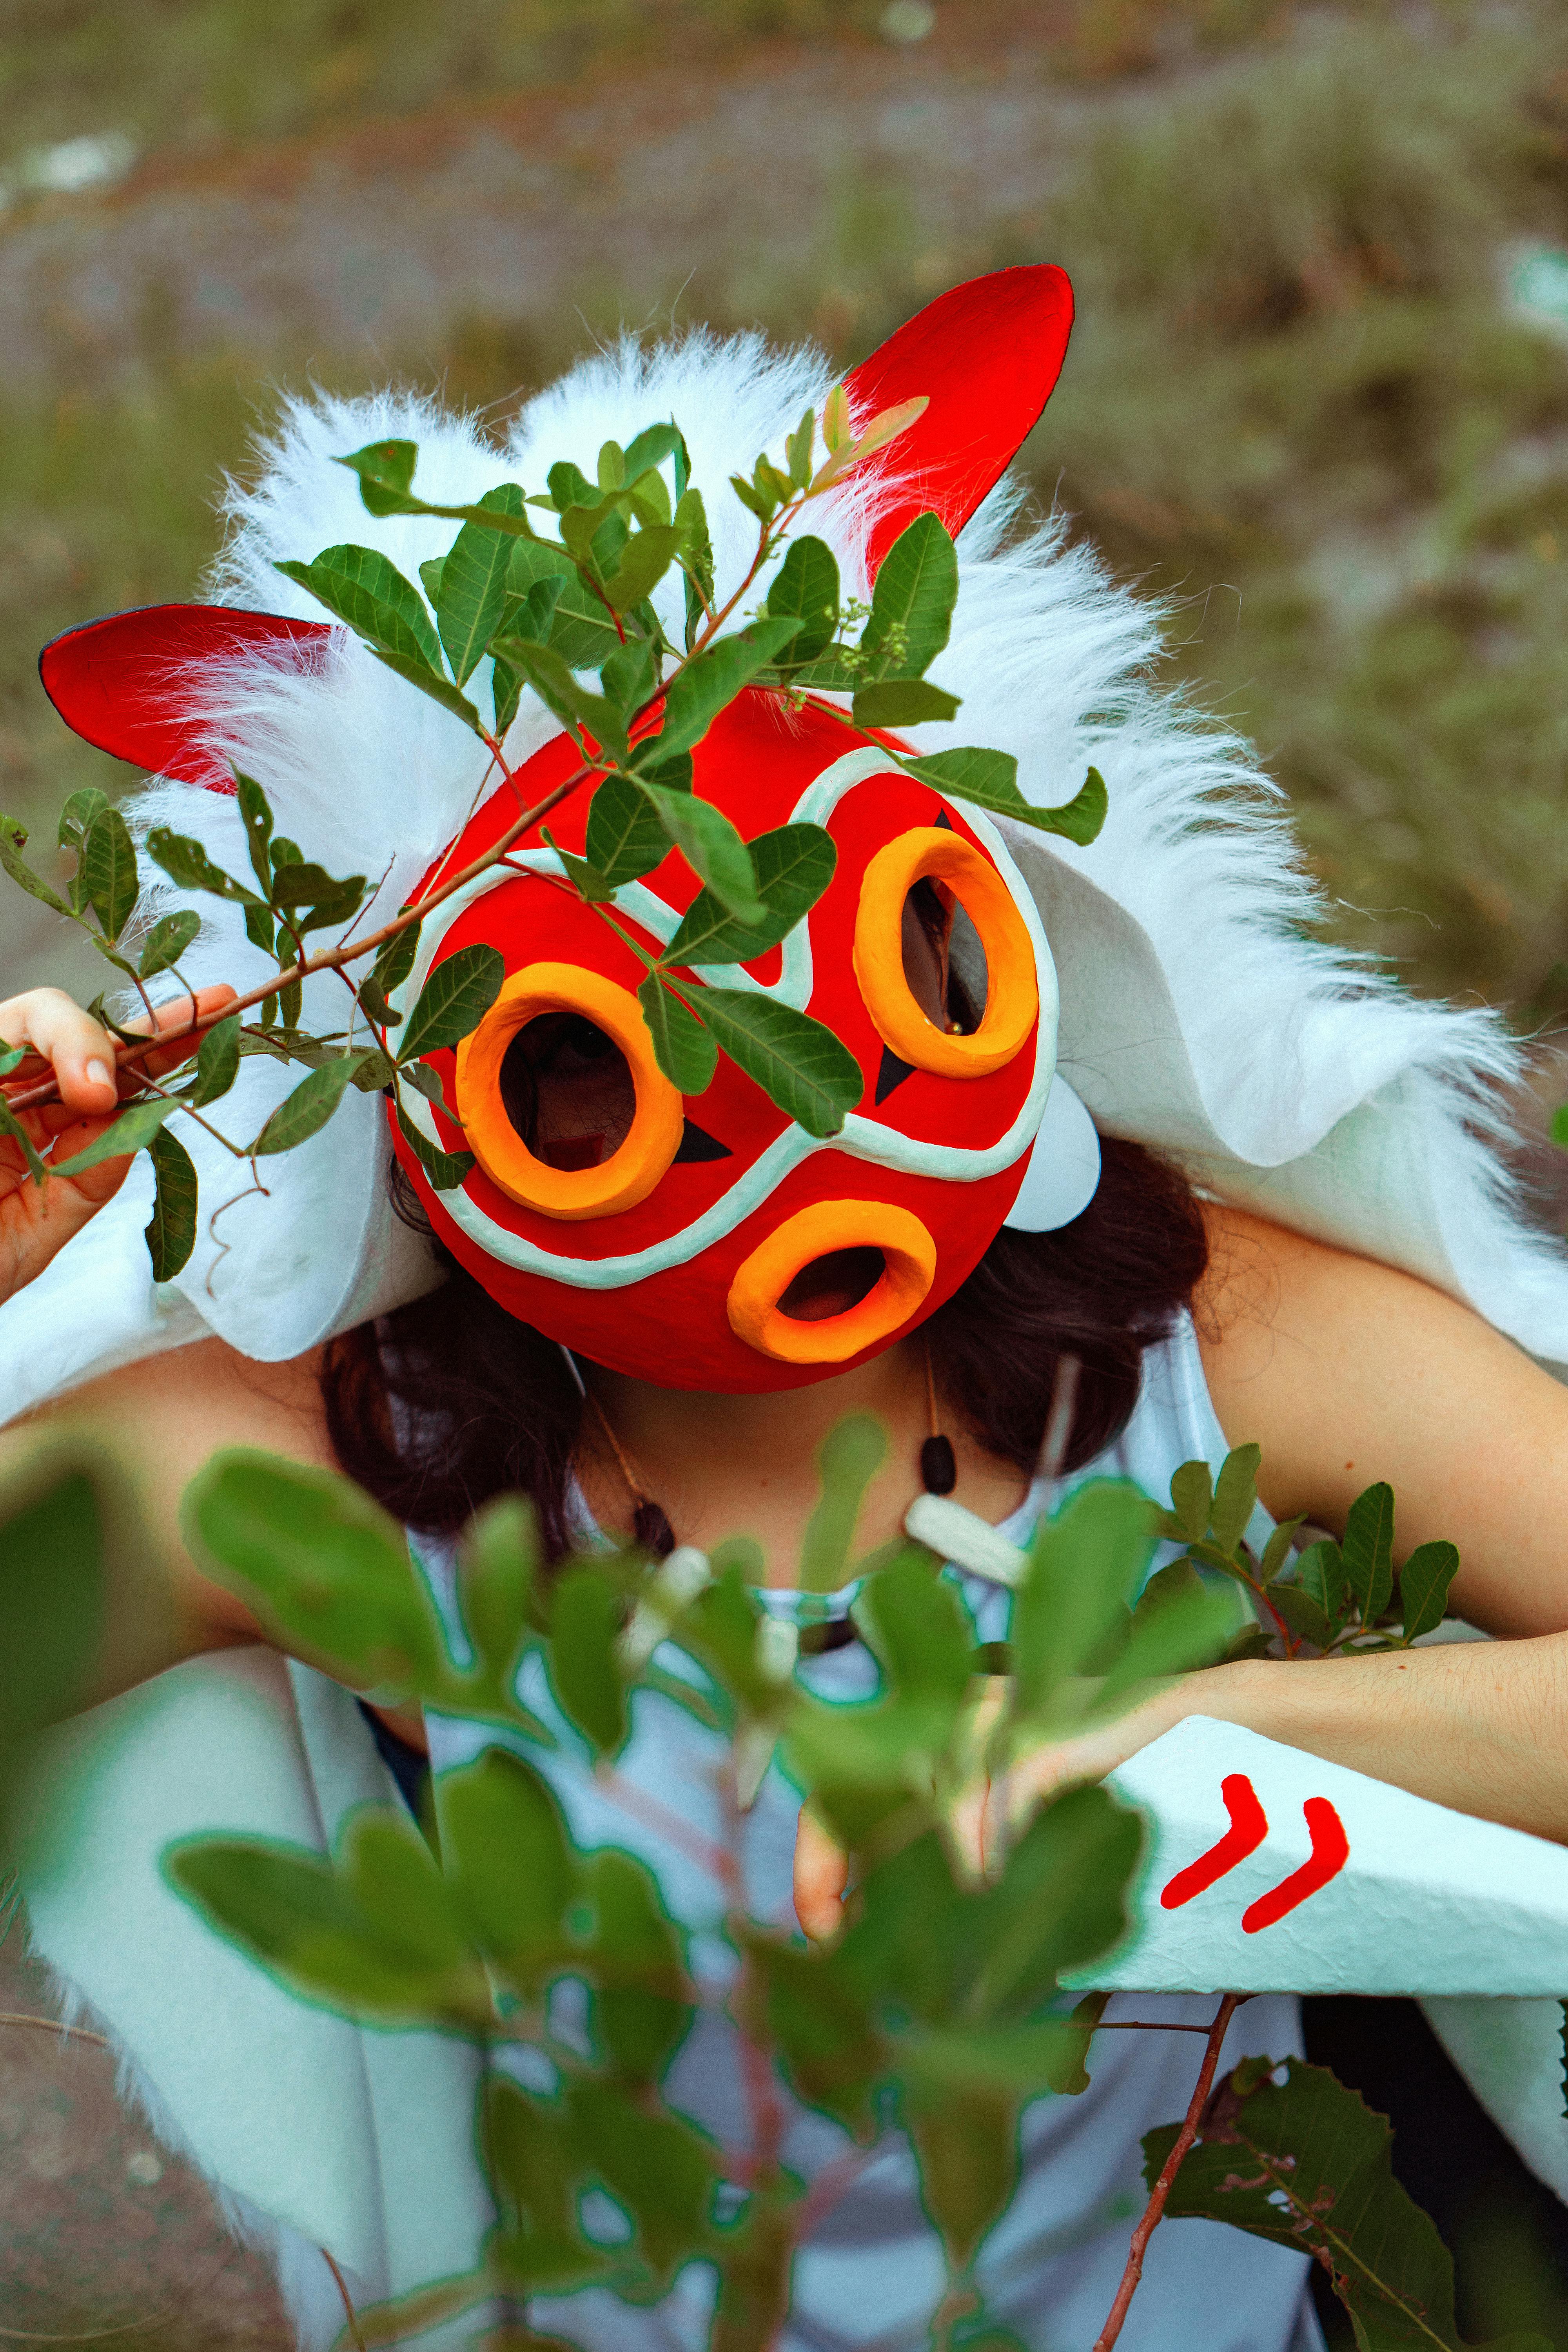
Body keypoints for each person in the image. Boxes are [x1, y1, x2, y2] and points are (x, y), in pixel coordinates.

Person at [4, 267, 1568, 2351]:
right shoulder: (360, 1474)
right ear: (425, 1097)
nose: (769, 1133)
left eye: (832, 986)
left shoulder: (1181, 1351)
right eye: (608, 1066)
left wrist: (1158, 1736)